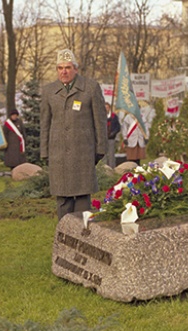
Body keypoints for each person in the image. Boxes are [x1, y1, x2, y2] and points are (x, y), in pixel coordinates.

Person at [40, 49, 107, 220]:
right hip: (58, 154)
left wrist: (101, 149)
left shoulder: (90, 88)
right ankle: (65, 238)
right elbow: (45, 124)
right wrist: (45, 152)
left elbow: (100, 121)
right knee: (63, 199)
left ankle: (83, 236)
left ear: (76, 69)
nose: (64, 71)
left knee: (83, 199)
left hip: (83, 153)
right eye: (60, 68)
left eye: (68, 67)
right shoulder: (49, 91)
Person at [104, 102, 121, 168]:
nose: (106, 109)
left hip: (111, 138)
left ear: (109, 108)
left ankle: (112, 168)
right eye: (105, 108)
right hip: (103, 138)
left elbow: (118, 127)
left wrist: (113, 133)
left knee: (111, 154)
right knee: (103, 154)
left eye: (107, 108)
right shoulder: (100, 116)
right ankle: (104, 168)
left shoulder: (114, 116)